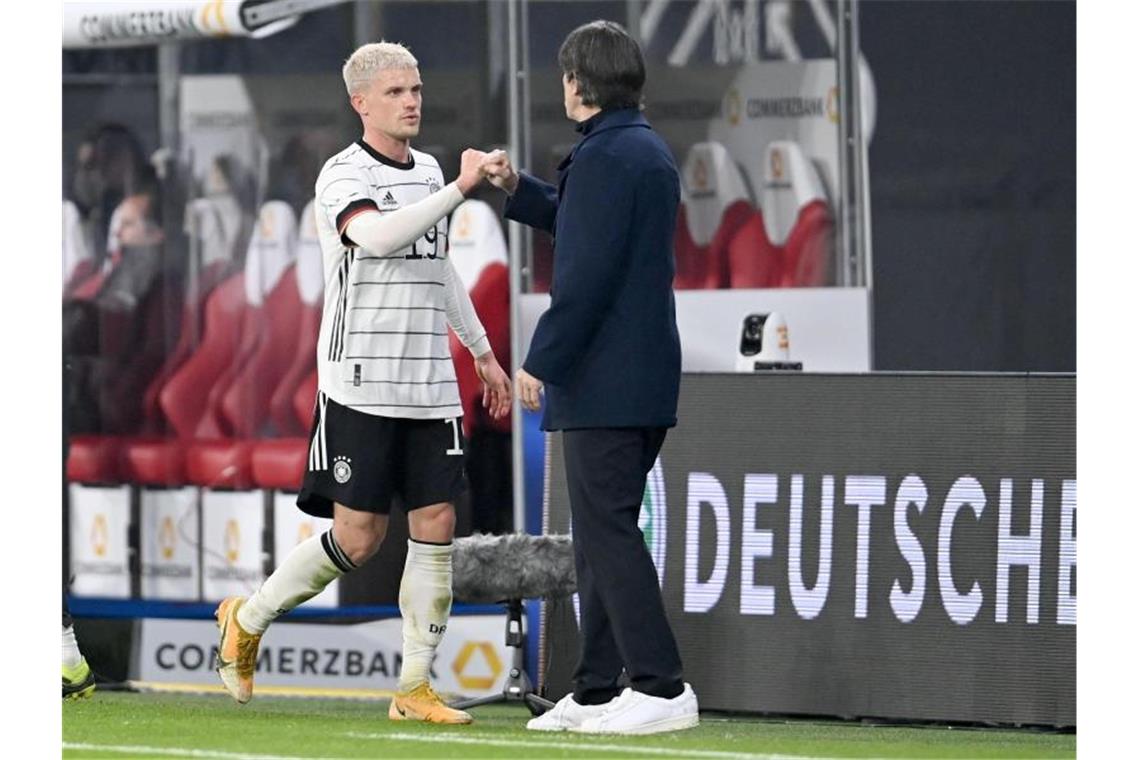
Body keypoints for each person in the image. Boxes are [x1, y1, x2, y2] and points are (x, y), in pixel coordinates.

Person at [213, 42, 512, 725]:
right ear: (361, 103)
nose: (412, 100)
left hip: (431, 384)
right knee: (359, 539)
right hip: (359, 382)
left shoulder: (432, 170)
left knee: (436, 521)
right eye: (396, 92)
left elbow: (439, 271)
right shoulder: (341, 175)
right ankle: (247, 617)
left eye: (416, 88)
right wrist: (460, 192)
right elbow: (375, 238)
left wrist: (482, 352)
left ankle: (414, 685)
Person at [480, 20, 699, 734]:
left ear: (579, 82)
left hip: (607, 380)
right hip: (638, 380)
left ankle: (661, 687)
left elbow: (586, 277)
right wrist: (520, 189)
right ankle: (598, 688)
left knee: (607, 532)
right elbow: (585, 228)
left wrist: (542, 359)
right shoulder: (637, 149)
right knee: (605, 531)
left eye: (564, 74)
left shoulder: (609, 157)